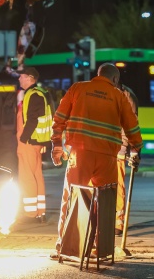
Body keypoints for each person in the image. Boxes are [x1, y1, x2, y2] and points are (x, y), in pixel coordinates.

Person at [49, 63, 142, 259]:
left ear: (97, 75)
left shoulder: (78, 88)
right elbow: (131, 126)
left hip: (80, 154)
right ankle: (101, 250)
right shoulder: (118, 96)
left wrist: (57, 145)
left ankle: (64, 246)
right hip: (107, 157)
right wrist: (136, 149)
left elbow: (59, 119)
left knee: (73, 197)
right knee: (106, 202)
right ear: (115, 79)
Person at [16, 67, 52, 223]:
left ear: (30, 78)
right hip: (36, 141)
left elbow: (32, 119)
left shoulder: (33, 95)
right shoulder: (40, 94)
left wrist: (23, 139)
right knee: (37, 175)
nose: (19, 79)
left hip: (29, 143)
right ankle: (39, 212)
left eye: (21, 77)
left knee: (27, 177)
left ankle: (31, 214)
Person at [115, 83, 139, 236]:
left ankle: (118, 222)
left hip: (117, 148)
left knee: (117, 186)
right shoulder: (103, 92)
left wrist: (133, 150)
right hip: (102, 147)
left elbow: (131, 124)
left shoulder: (126, 95)